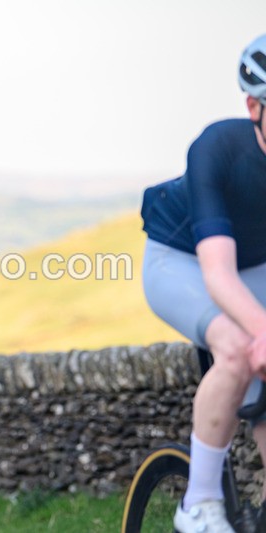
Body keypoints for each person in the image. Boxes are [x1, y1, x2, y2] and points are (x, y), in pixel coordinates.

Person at [141, 34, 266, 533]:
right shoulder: (218, 147)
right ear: (254, 105)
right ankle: (200, 502)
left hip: (256, 266)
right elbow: (218, 273)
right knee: (237, 348)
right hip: (183, 262)